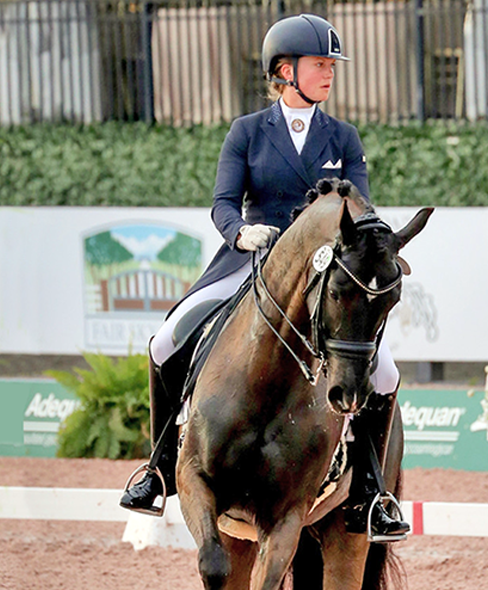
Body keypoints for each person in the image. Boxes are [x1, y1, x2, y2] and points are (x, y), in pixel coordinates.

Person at [120, 13, 408, 541]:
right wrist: (241, 233)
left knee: (384, 372)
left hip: (322, 269)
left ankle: (371, 492)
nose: (329, 73)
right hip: (249, 260)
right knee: (165, 342)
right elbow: (223, 203)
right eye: (319, 64)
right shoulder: (248, 132)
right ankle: (158, 468)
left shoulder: (343, 137)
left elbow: (361, 209)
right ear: (284, 70)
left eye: (331, 65)